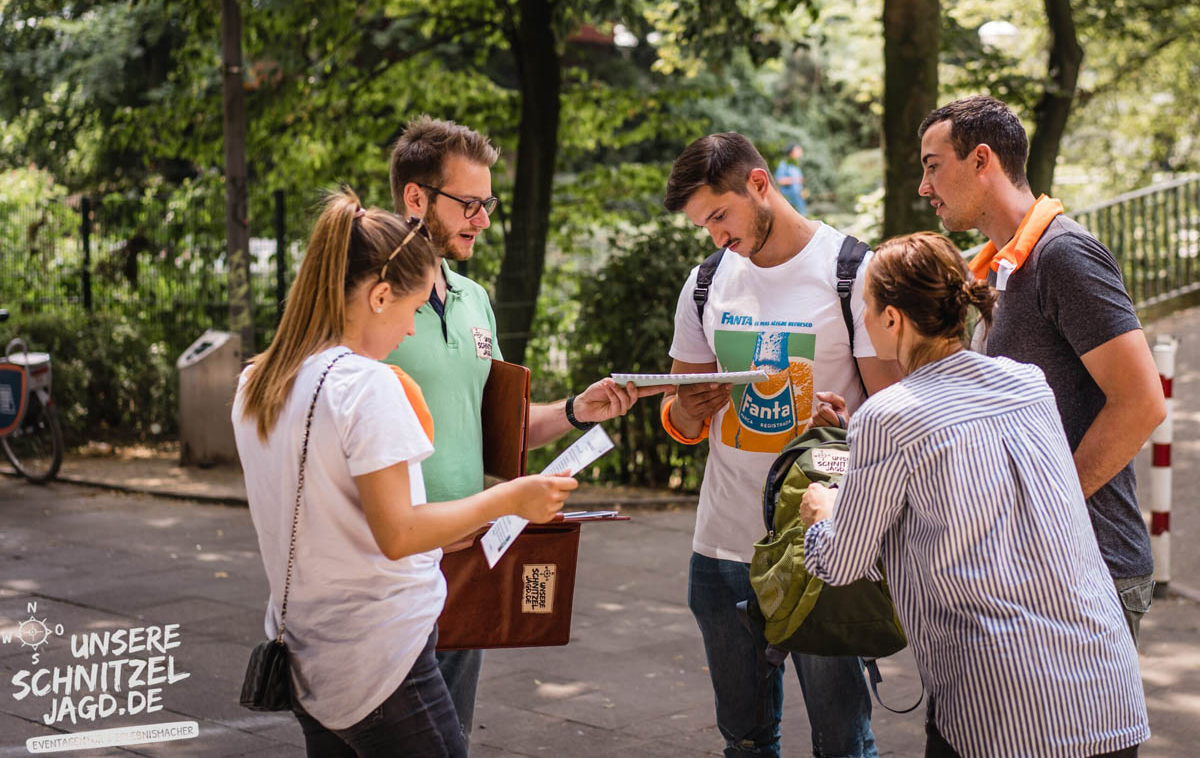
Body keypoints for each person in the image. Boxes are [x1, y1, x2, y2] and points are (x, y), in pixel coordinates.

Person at [232, 189, 577, 757]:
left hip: (309, 653)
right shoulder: (368, 387)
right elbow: (400, 533)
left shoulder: (259, 383)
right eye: (413, 310)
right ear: (379, 296)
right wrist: (512, 499)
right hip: (383, 659)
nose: (412, 330)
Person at [800, 231, 1150, 758]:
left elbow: (841, 562)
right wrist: (864, 446)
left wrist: (823, 512)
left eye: (866, 307)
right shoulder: (1028, 383)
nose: (863, 320)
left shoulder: (887, 417)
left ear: (892, 318)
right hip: (1106, 690)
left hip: (1001, 707)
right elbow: (969, 475)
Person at [384, 115, 668, 747]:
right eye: (469, 204)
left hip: (469, 554)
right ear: (415, 198)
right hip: (394, 561)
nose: (483, 220)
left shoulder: (474, 299)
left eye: (487, 204)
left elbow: (498, 433)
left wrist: (578, 410)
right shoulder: (368, 300)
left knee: (450, 739)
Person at [660, 131, 901, 758]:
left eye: (720, 215)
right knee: (744, 741)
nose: (716, 235)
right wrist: (686, 409)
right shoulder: (707, 281)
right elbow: (680, 416)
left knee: (843, 743)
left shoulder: (853, 271)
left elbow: (898, 417)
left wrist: (844, 424)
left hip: (824, 547)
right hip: (722, 546)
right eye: (703, 225)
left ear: (759, 184)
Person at [917, 96, 1166, 643]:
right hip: (1032, 566)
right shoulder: (999, 266)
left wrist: (1046, 508)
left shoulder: (1063, 255)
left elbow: (1142, 403)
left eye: (933, 166)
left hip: (1088, 568)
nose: (923, 187)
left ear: (981, 160)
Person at [775, 143, 807, 214]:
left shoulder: (796, 165)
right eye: (797, 149)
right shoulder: (784, 164)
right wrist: (796, 180)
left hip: (799, 201)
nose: (800, 151)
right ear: (791, 152)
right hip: (789, 202)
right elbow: (780, 181)